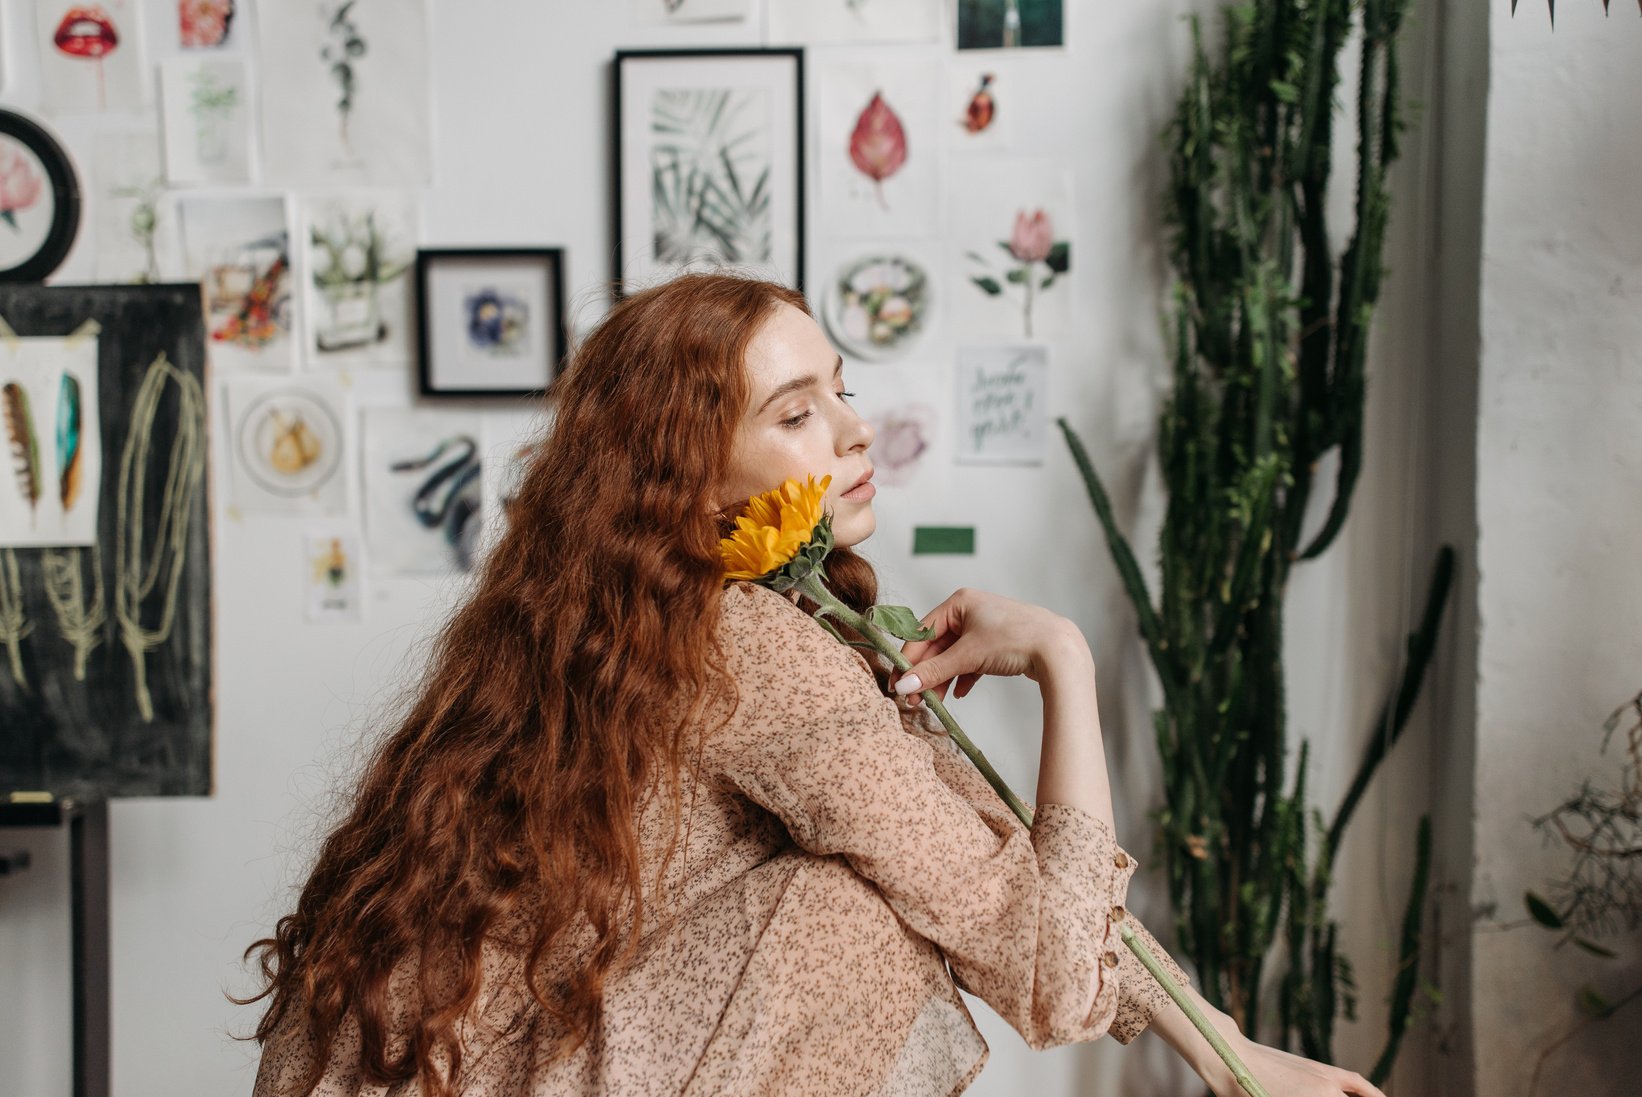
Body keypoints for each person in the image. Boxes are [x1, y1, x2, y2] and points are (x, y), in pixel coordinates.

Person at [244, 273, 1386, 1097]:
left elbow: (989, 868)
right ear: (688, 487)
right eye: (794, 414)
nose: (851, 430)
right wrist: (1063, 662)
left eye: (840, 389)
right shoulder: (741, 643)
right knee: (851, 914)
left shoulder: (643, 629)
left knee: (880, 883)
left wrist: (1227, 1050)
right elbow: (1039, 961)